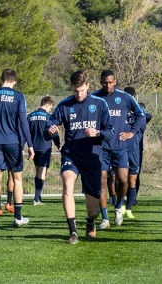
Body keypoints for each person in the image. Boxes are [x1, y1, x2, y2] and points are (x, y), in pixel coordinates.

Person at [46, 70, 113, 244]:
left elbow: (111, 132)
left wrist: (98, 132)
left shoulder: (99, 104)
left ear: (88, 86)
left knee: (93, 210)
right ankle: (73, 232)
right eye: (76, 91)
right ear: (72, 88)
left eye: (82, 90)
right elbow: (51, 123)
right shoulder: (65, 105)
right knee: (67, 183)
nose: (79, 94)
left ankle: (90, 221)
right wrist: (51, 128)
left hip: (92, 157)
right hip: (71, 155)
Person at [91, 70, 145, 227]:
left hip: (120, 147)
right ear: (100, 82)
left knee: (122, 180)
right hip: (101, 147)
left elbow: (141, 116)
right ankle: (105, 218)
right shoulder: (94, 97)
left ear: (115, 81)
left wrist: (131, 132)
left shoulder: (125, 97)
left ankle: (118, 206)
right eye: (104, 82)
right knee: (101, 181)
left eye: (110, 82)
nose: (107, 85)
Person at [0, 69, 34, 228]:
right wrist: (30, 145)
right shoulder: (18, 96)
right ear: (15, 82)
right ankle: (17, 217)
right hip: (13, 142)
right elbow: (23, 122)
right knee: (17, 179)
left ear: (1, 80)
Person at [28, 96, 61, 205]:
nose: (50, 109)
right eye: (50, 107)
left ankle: (38, 196)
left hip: (33, 147)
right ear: (47, 104)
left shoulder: (31, 116)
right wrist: (58, 144)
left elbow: (26, 131)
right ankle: (36, 199)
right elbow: (54, 132)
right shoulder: (49, 117)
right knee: (42, 172)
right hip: (45, 147)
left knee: (37, 172)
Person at [121, 87, 148, 216]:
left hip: (134, 150)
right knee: (120, 179)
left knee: (132, 180)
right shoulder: (119, 110)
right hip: (120, 149)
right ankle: (119, 204)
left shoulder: (139, 112)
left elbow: (143, 125)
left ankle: (129, 209)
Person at [134, 101, 152, 205]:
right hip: (124, 149)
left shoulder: (142, 119)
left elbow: (149, 115)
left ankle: (134, 197)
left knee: (136, 174)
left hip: (138, 150)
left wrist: (140, 112)